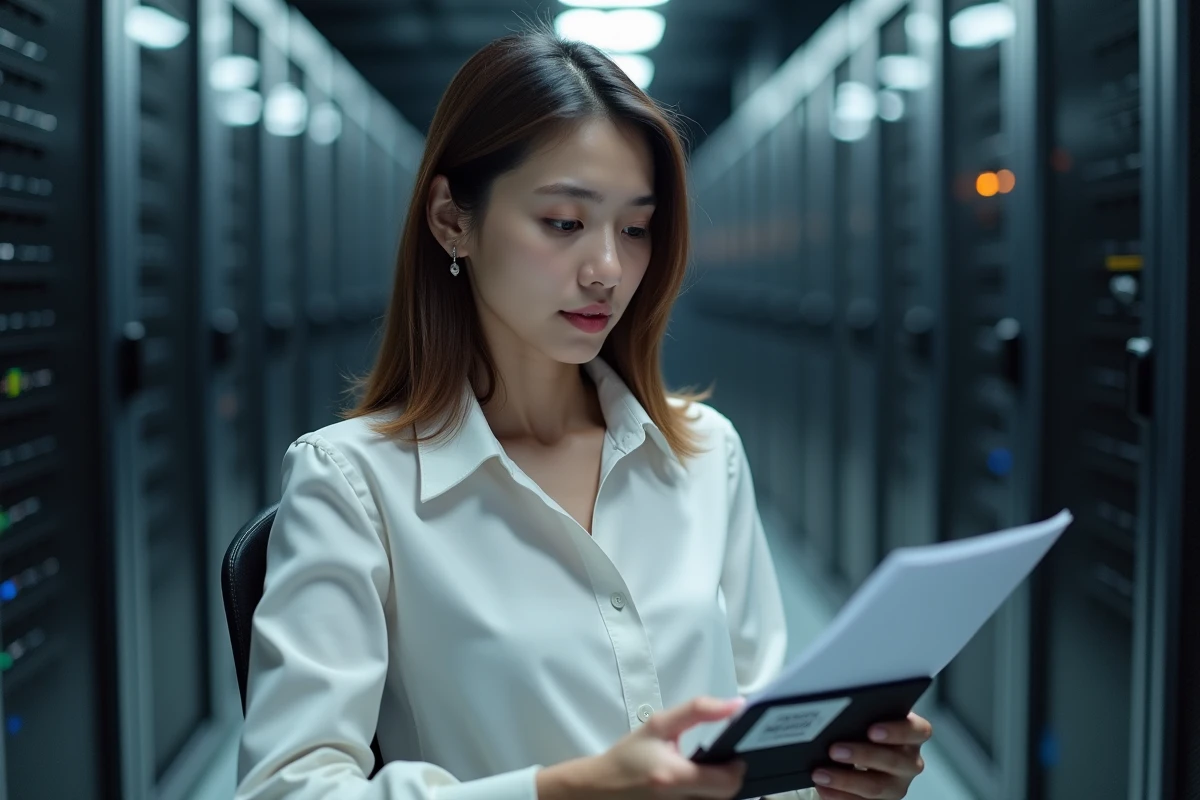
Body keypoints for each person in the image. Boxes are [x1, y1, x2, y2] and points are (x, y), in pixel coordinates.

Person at [234, 25, 933, 800]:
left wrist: (837, 780)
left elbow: (754, 744)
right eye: (564, 223)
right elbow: (287, 790)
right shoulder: (355, 483)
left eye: (635, 228)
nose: (608, 269)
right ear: (450, 220)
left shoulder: (703, 453)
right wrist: (568, 790)